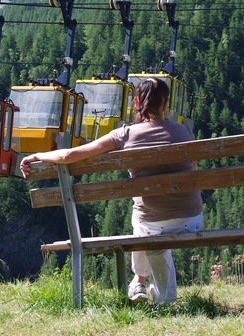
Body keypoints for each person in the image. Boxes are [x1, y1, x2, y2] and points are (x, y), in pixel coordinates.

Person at [20, 77, 202, 304]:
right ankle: (144, 285)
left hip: (152, 224)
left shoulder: (123, 135)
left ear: (136, 102)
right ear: (165, 104)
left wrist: (38, 155)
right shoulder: (185, 131)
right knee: (149, 227)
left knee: (144, 220)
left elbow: (68, 156)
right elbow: (194, 172)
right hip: (192, 220)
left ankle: (140, 282)